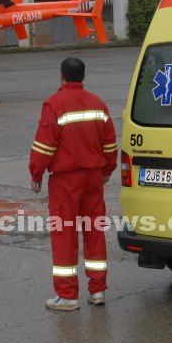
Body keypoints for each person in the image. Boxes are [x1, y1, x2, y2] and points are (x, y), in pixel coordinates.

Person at [29, 57, 117, 311]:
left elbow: (44, 145)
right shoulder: (98, 104)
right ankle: (97, 290)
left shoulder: (55, 104)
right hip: (93, 178)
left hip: (66, 181)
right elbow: (110, 143)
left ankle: (67, 296)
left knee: (64, 234)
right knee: (94, 231)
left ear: (61, 76)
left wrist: (36, 174)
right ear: (83, 77)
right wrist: (107, 170)